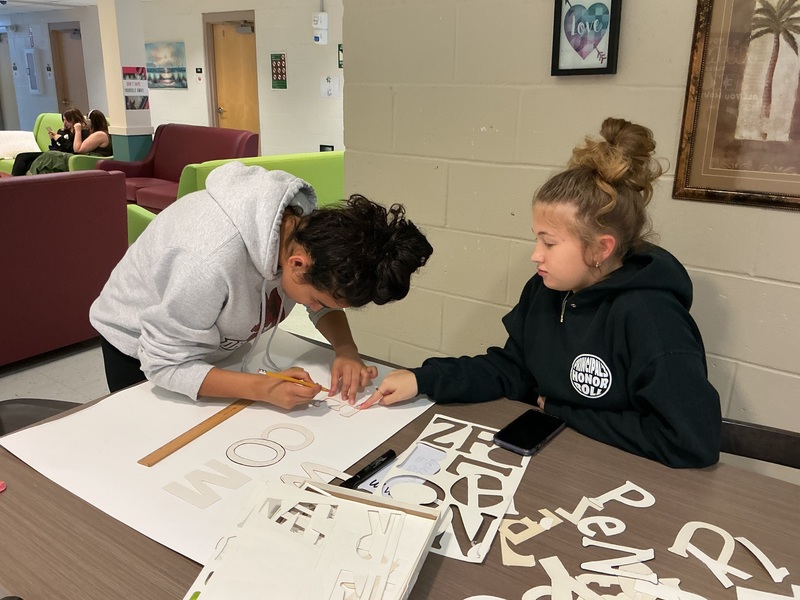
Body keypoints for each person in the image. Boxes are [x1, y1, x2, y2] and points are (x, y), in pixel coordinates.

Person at [360, 117, 721, 468]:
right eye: (536, 239)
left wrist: (559, 410)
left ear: (601, 248)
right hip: (562, 461)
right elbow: (512, 370)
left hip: (627, 478)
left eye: (549, 243)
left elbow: (689, 442)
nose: (536, 255)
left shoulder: (651, 317)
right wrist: (424, 379)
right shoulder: (547, 289)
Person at [89, 161, 433, 410]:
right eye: (314, 301)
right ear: (298, 265)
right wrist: (262, 388)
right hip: (139, 349)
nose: (315, 309)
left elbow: (327, 301)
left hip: (205, 344)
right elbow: (165, 363)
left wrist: (345, 349)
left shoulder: (302, 238)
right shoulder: (206, 261)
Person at [27, 108, 112, 174]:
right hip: (84, 158)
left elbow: (77, 149)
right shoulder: (98, 133)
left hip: (88, 160)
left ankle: (31, 175)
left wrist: (78, 130)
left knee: (50, 155)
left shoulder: (100, 134)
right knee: (45, 165)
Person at [10, 107, 85, 176]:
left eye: (67, 120)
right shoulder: (62, 131)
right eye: (63, 120)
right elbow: (54, 147)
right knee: (22, 158)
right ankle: (15, 182)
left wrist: (60, 139)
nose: (65, 123)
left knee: (28, 162)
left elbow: (73, 150)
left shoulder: (79, 133)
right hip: (51, 153)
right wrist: (53, 139)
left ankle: (16, 183)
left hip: (60, 156)